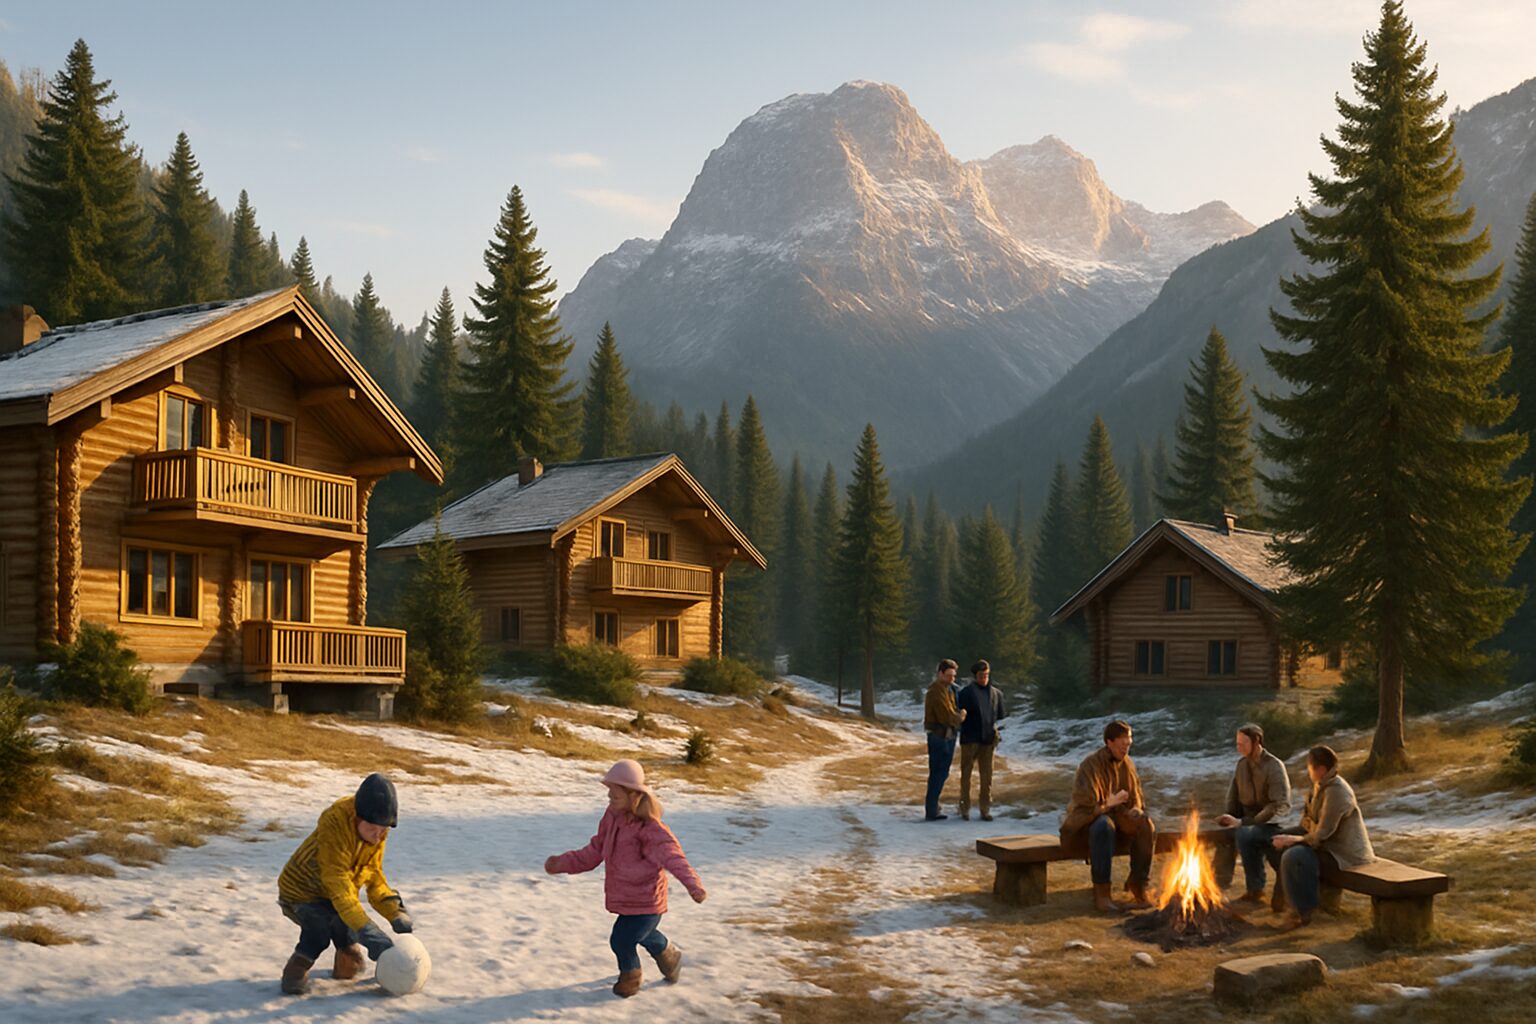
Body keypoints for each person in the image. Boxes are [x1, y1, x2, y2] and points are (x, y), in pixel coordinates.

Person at [545, 759, 707, 998]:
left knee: (621, 940)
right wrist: (563, 863)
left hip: (648, 903)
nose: (609, 796)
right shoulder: (612, 817)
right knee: (642, 936)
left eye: (615, 792)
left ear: (634, 795)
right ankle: (670, 956)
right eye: (608, 791)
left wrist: (693, 885)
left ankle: (631, 976)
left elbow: (674, 857)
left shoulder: (649, 829)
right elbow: (594, 851)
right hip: (626, 898)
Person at [276, 773, 412, 995]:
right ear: (358, 816)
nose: (378, 837)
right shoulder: (334, 828)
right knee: (318, 930)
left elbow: (374, 876)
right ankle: (294, 973)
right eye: (373, 829)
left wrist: (394, 911)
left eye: (383, 830)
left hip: (332, 893)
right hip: (300, 891)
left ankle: (347, 964)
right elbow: (337, 882)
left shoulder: (375, 833)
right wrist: (368, 930)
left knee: (345, 929)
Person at [1269, 744, 1375, 929]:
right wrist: (1289, 836)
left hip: (1343, 853)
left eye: (1310, 767)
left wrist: (1295, 839)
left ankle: (1304, 911)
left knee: (1294, 855)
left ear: (1321, 769)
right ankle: (1285, 898)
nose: (1308, 771)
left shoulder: (1337, 792)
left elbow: (1322, 834)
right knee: (1275, 840)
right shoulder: (1318, 786)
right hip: (1324, 844)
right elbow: (1306, 822)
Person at [1059, 719, 1157, 913]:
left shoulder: (1127, 764)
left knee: (1146, 825)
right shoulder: (1090, 765)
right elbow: (1085, 805)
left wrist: (1135, 810)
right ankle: (1102, 894)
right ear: (1109, 742)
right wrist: (1108, 804)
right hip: (1088, 824)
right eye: (1122, 745)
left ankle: (1138, 884)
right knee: (1104, 826)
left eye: (1128, 745)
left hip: (1119, 819)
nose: (1125, 750)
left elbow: (1136, 797)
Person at [1212, 722, 1292, 902]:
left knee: (1246, 834)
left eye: (1243, 743)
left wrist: (1246, 823)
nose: (1238, 747)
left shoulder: (1274, 766)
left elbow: (1276, 805)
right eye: (1237, 743)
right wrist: (1229, 817)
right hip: (1247, 820)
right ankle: (1217, 887)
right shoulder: (1241, 765)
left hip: (1273, 823)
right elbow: (1233, 796)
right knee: (1224, 835)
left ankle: (1257, 888)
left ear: (1257, 742)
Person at [955, 660, 1007, 821]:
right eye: (980, 675)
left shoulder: (996, 694)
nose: (984, 677)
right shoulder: (965, 693)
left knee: (987, 777)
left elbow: (999, 716)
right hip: (970, 740)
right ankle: (964, 808)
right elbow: (960, 715)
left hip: (988, 740)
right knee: (966, 775)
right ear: (975, 676)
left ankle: (985, 809)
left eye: (986, 675)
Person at [922, 659, 966, 820]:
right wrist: (961, 716)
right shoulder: (936, 691)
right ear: (940, 673)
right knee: (938, 774)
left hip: (947, 736)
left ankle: (933, 808)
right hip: (939, 737)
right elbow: (947, 716)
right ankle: (932, 810)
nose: (952, 679)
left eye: (953, 676)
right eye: (949, 675)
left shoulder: (949, 689)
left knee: (941, 773)